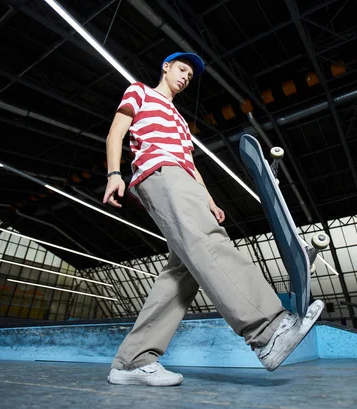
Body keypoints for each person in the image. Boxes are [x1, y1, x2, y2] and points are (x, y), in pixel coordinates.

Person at [102, 51, 324, 386]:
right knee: (206, 240)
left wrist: (209, 199)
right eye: (181, 70)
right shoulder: (140, 92)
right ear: (166, 67)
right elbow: (115, 132)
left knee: (182, 274)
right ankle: (267, 331)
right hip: (159, 172)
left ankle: (132, 361)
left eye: (189, 77)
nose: (184, 78)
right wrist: (114, 173)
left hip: (181, 178)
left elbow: (191, 166)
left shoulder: (179, 119)